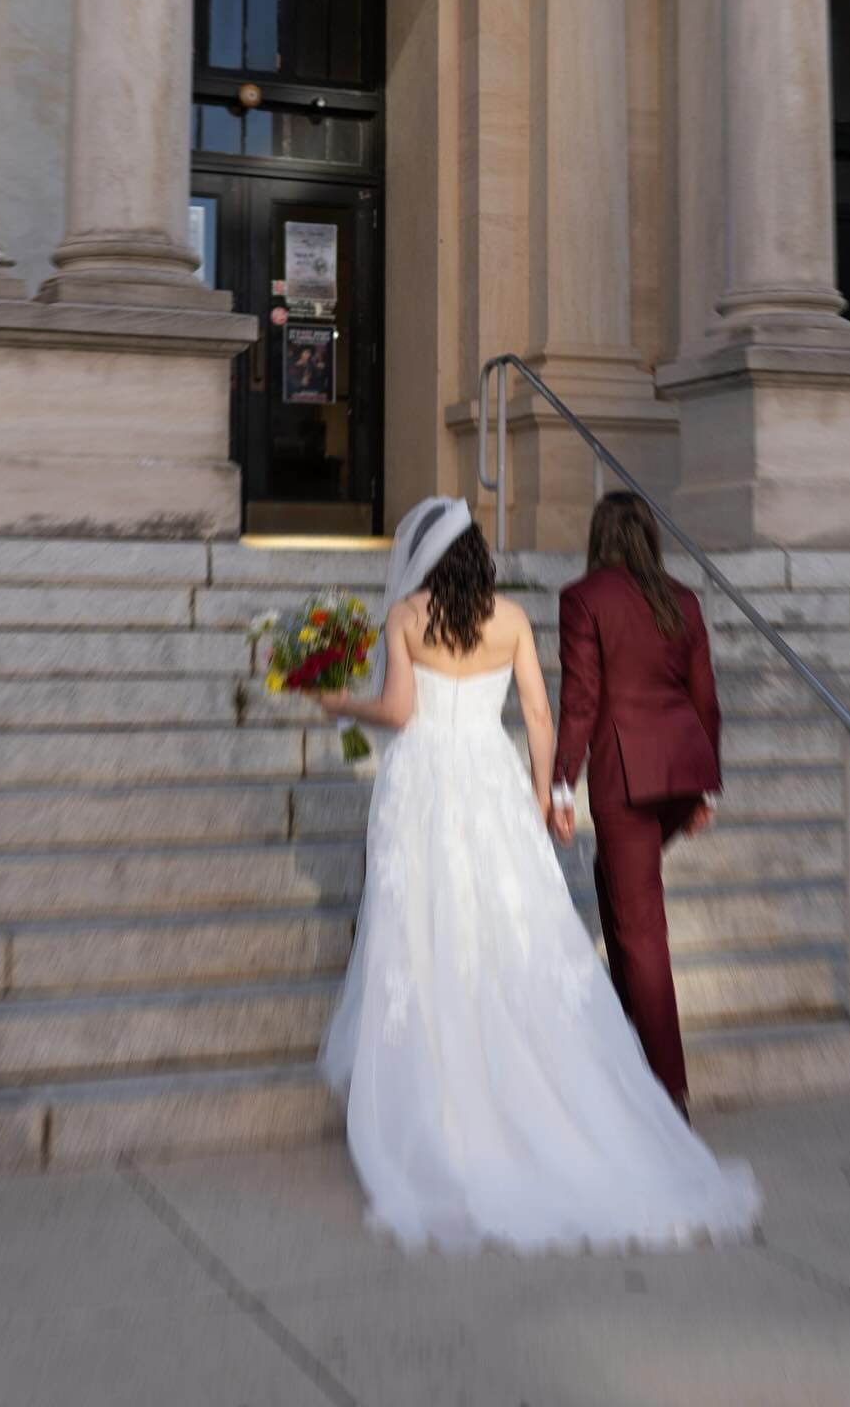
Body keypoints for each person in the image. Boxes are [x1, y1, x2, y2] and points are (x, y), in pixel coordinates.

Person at [316, 496, 758, 1253]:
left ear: (423, 559)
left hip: (424, 781)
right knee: (508, 923)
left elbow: (398, 710)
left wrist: (338, 704)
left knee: (424, 922)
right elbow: (542, 714)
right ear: (478, 557)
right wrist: (545, 792)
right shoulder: (513, 618)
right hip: (492, 776)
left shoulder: (406, 618)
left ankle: (441, 1096)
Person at [552, 492, 722, 1119]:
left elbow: (580, 700)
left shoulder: (584, 597)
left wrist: (561, 785)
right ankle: (627, 1031)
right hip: (682, 772)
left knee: (641, 927)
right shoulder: (684, 600)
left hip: (627, 779)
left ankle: (668, 1093)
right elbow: (706, 698)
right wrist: (707, 787)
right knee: (618, 887)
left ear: (598, 536)